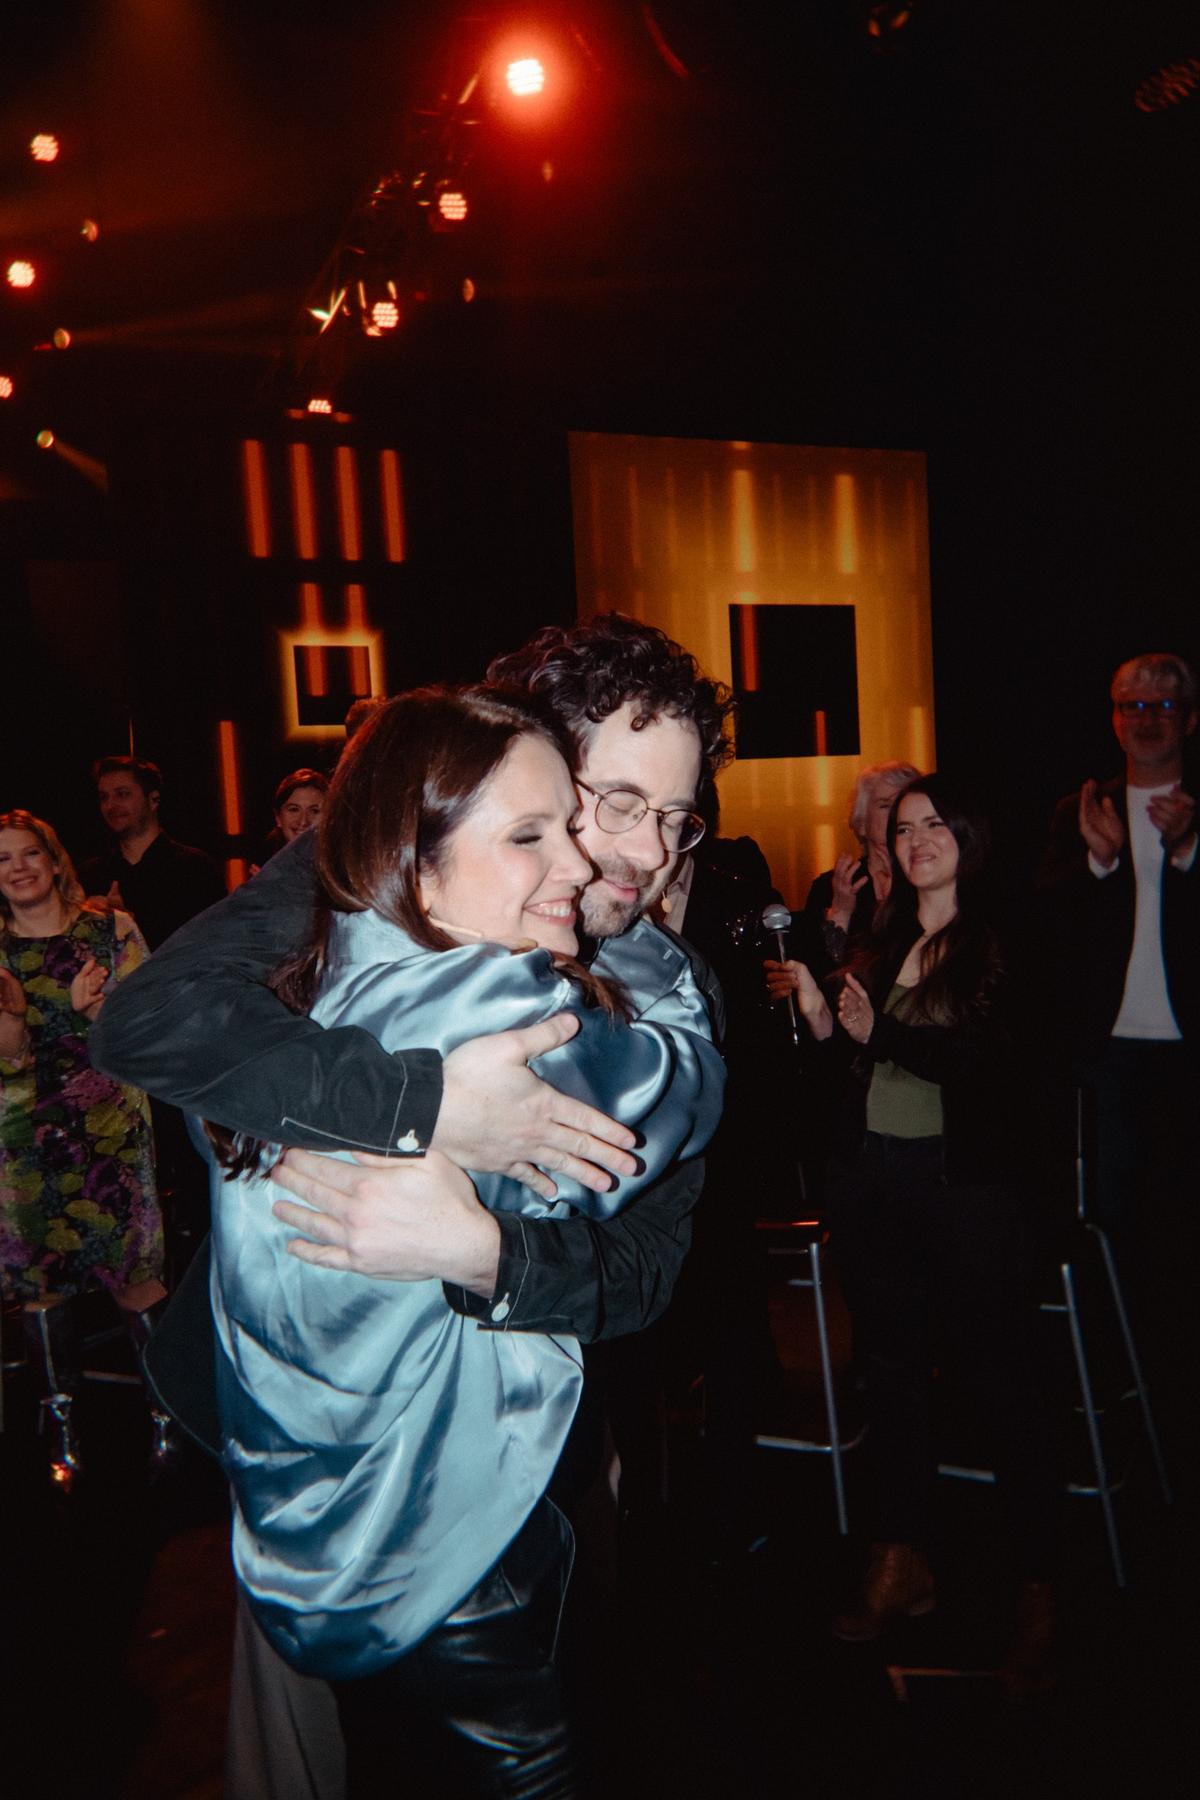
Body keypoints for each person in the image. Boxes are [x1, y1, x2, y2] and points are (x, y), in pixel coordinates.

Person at [206, 686, 724, 1793]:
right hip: (453, 1550)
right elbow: (674, 1092)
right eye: (569, 822)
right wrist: (660, 962)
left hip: (311, 1540)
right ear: (419, 858)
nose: (609, 863)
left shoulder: (308, 974)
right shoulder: (494, 1009)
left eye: (680, 823)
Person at [766, 775, 1057, 1694]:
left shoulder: (1002, 936)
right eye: (905, 828)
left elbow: (990, 1071)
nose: (919, 837)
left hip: (967, 1196)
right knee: (889, 1378)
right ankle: (903, 1562)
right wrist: (827, 1021)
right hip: (875, 1186)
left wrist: (878, 1034)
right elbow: (859, 1066)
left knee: (1001, 1384)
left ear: (970, 834)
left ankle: (1039, 1585)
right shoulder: (886, 939)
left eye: (936, 823)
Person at [1036, 651, 1199, 1457]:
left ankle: (1175, 1400)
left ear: (1188, 719)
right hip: (1108, 1058)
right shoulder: (1083, 806)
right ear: (1112, 717)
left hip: (1185, 1057)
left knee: (1182, 1232)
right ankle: (1118, 1398)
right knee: (1113, 1227)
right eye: (1130, 705)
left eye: (1162, 707)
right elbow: (1047, 935)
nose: (1145, 719)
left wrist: (1190, 852)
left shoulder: (1197, 806)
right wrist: (1101, 863)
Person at [0, 810, 168, 1487]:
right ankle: (60, 1423)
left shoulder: (110, 929)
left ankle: (167, 1416)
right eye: (2, 859)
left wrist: (99, 1011)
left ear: (54, 857)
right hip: (25, 1139)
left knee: (137, 1276)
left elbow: (156, 1032)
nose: (17, 867)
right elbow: (8, 1062)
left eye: (28, 852)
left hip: (110, 1132)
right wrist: (12, 1015)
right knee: (41, 1283)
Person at [79, 755, 225, 950]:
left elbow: (215, 944)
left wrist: (127, 924)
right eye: (104, 797)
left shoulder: (194, 868)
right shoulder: (91, 874)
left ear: (154, 799)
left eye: (122, 794)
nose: (111, 806)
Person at [802, 760, 921, 974]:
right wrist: (840, 913)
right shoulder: (830, 887)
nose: (897, 814)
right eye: (885, 805)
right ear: (862, 822)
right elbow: (818, 973)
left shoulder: (931, 880)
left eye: (904, 803)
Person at [253, 768, 329, 871]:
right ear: (278, 817)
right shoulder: (265, 867)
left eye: (314, 811)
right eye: (294, 809)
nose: (303, 821)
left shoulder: (342, 867)